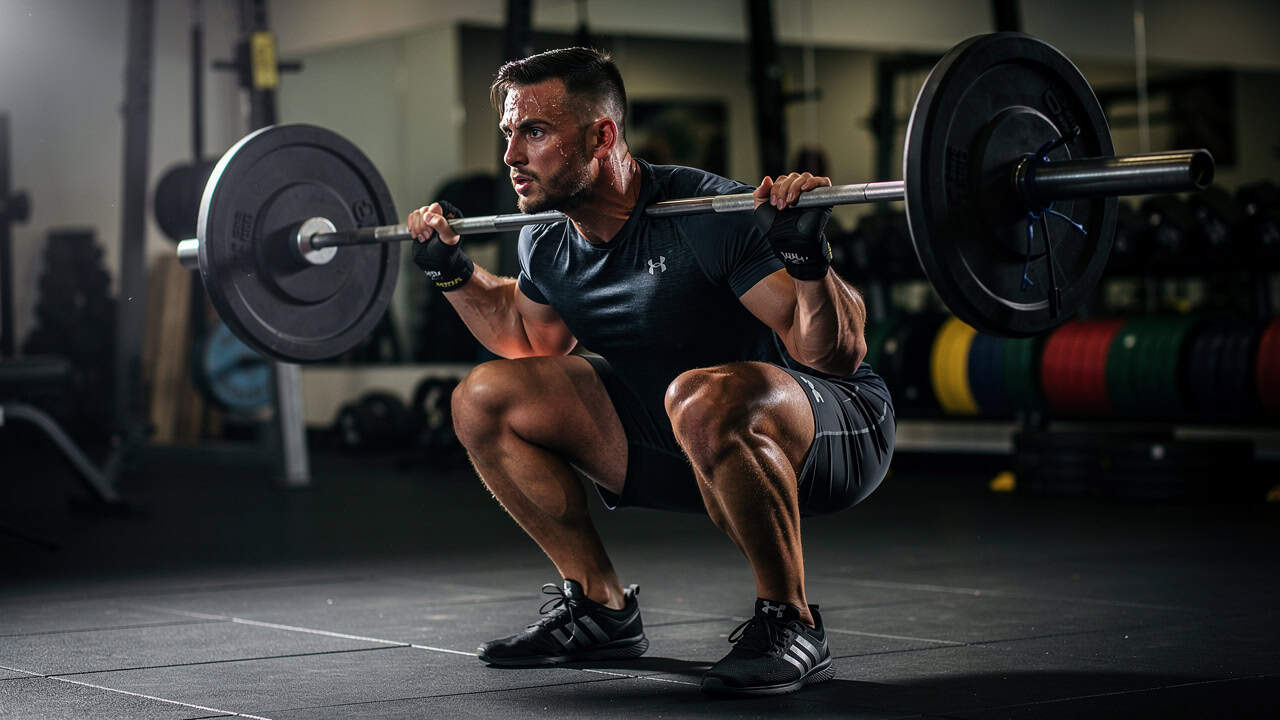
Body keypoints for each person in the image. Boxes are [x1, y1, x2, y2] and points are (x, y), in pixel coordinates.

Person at [406, 47, 894, 697]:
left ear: (601, 135)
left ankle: (791, 621)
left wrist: (807, 260)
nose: (511, 157)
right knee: (485, 397)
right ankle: (599, 608)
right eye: (509, 134)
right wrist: (452, 271)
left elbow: (833, 355)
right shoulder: (549, 238)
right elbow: (527, 336)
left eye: (535, 131)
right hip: (692, 435)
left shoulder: (709, 215)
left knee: (701, 394)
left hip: (834, 433)